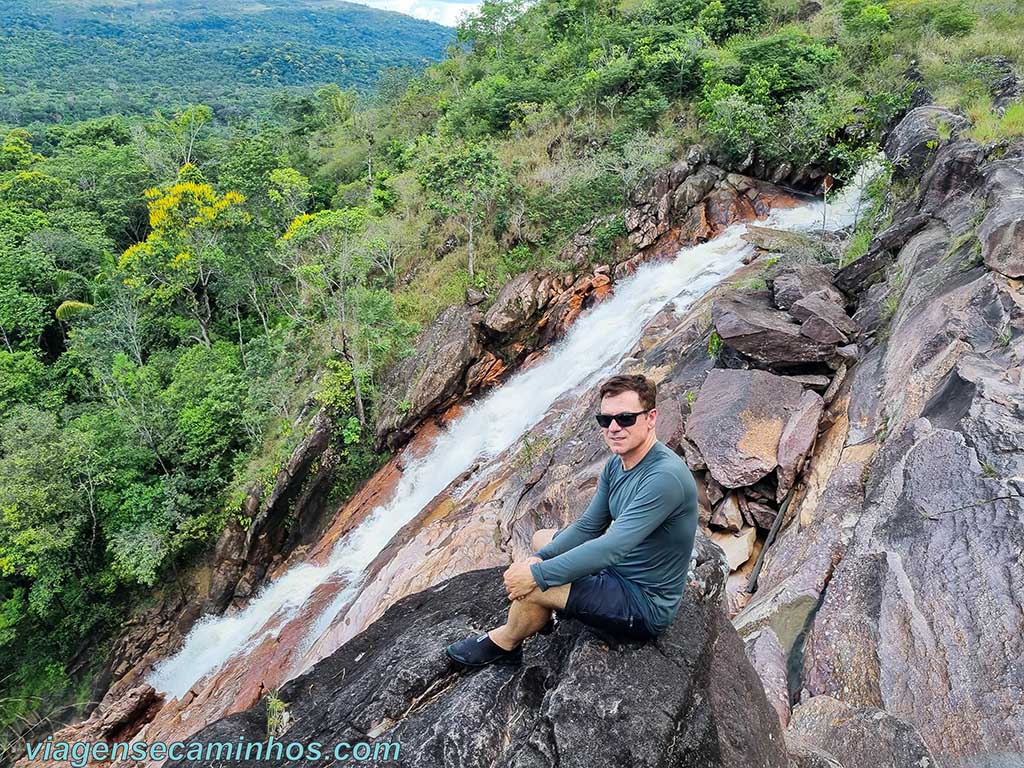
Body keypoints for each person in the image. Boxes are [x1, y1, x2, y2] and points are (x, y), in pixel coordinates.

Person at [446, 373, 699, 668]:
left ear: (651, 417)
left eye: (626, 419)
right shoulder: (618, 465)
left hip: (641, 601)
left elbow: (612, 547)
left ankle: (507, 643)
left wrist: (537, 576)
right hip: (616, 571)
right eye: (606, 421)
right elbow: (588, 526)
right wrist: (538, 559)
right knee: (542, 539)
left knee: (535, 588)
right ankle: (542, 615)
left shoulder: (664, 477)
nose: (614, 428)